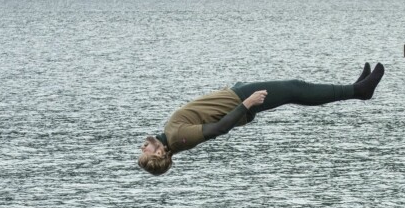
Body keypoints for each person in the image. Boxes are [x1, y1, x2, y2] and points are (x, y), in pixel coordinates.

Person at [138, 63, 385, 175]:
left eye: (143, 149)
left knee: (294, 90)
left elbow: (205, 114)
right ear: (159, 153)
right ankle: (359, 91)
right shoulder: (177, 138)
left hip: (236, 94)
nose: (143, 146)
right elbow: (218, 129)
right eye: (145, 151)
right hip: (241, 99)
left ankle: (353, 88)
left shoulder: (169, 134)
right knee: (295, 88)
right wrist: (246, 103)